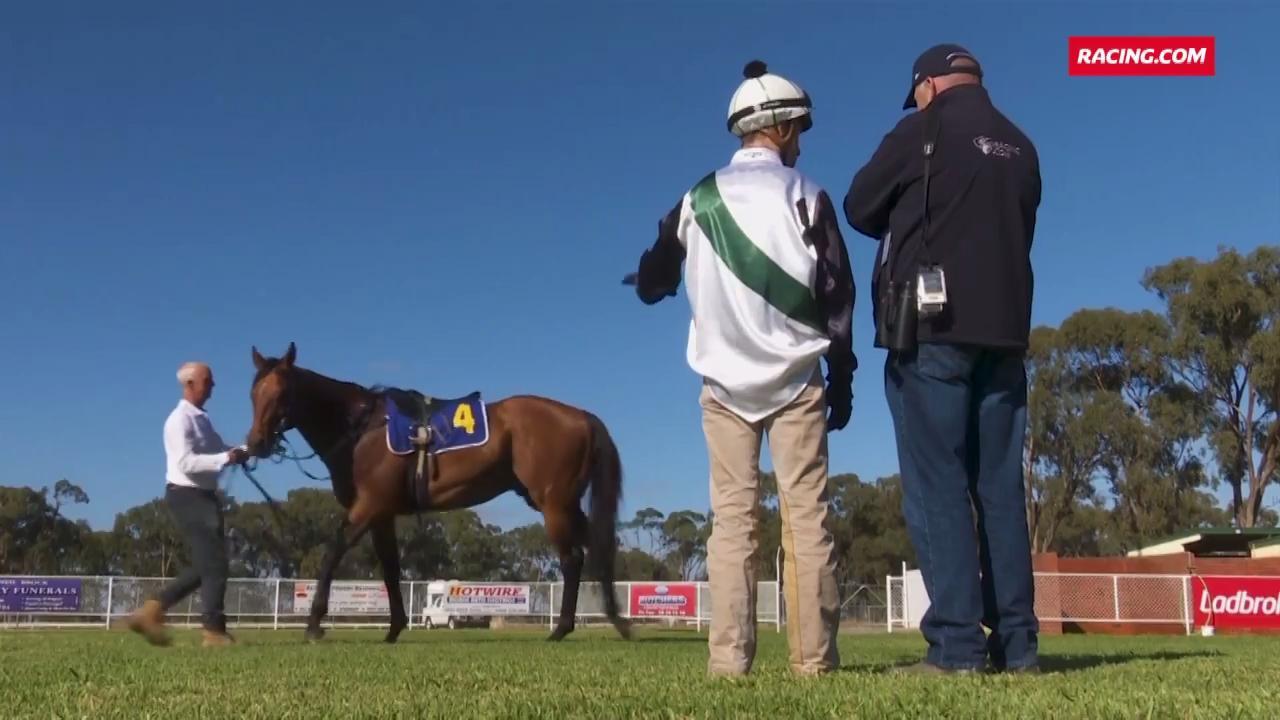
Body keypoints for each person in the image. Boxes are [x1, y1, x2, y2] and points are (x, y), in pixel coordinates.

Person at [626, 60, 855, 676]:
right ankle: (813, 663)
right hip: (797, 382)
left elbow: (654, 274)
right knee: (807, 522)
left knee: (732, 525)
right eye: (798, 129)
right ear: (780, 128)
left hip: (724, 389)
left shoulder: (696, 199)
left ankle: (729, 663)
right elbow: (838, 297)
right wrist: (843, 377)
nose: (801, 142)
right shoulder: (809, 195)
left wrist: (649, 286)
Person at [843, 44, 1041, 674]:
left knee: (939, 485)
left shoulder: (920, 132)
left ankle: (956, 647)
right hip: (1005, 335)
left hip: (932, 332)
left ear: (927, 86)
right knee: (1001, 490)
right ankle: (1018, 647)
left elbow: (858, 205)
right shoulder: (1021, 146)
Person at [127, 361, 248, 647]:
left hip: (204, 497)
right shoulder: (178, 420)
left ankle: (151, 611)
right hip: (187, 495)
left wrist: (247, 450)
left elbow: (221, 449)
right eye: (208, 380)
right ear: (190, 384)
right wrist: (225, 458)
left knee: (209, 563)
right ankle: (213, 631)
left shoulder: (201, 419)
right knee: (215, 562)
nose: (213, 385)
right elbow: (186, 462)